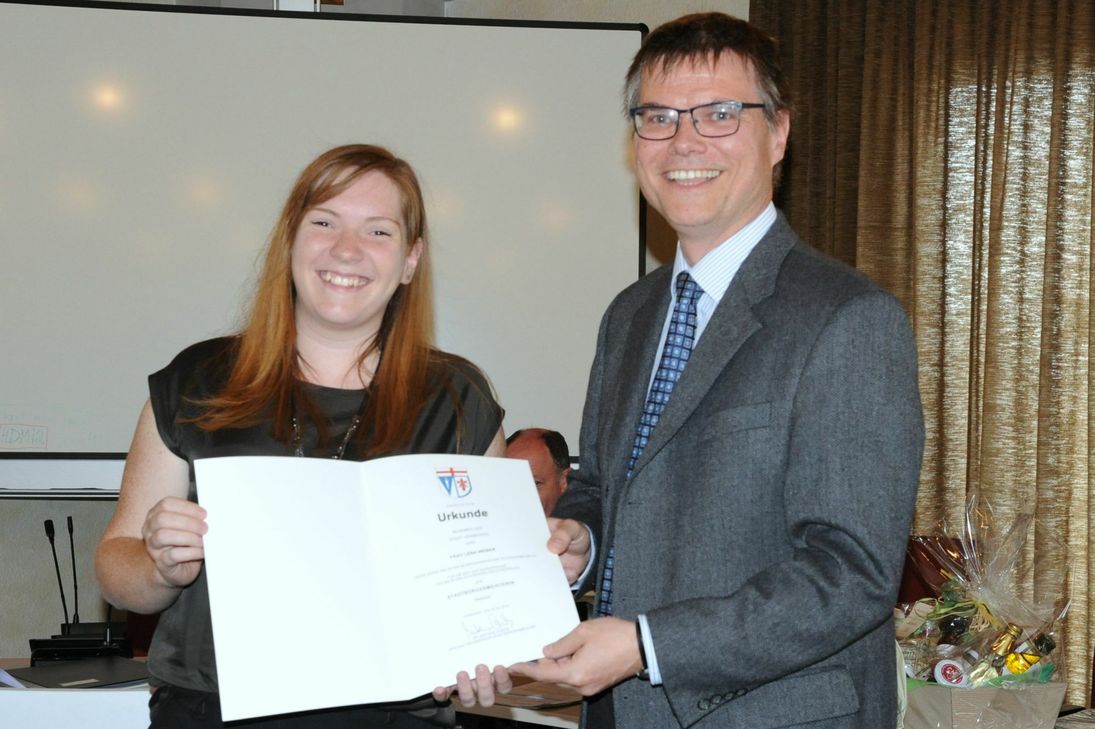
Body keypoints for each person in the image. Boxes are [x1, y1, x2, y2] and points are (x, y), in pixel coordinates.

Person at [511, 13, 924, 729]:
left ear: (779, 133)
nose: (684, 141)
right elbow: (602, 489)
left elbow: (850, 573)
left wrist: (646, 643)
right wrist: (581, 544)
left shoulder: (848, 318)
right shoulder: (628, 315)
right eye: (658, 117)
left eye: (720, 113)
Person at [95, 144, 510, 729]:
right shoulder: (198, 380)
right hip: (212, 710)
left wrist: (488, 646)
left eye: (378, 231)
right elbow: (117, 564)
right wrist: (159, 567)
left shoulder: (459, 399)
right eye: (324, 222)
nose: (347, 250)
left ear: (411, 260)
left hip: (395, 717)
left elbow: (489, 582)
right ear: (291, 237)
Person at [505, 428, 571, 515]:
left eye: (534, 484)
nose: (518, 496)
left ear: (565, 482)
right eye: (509, 484)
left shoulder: (587, 526)